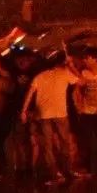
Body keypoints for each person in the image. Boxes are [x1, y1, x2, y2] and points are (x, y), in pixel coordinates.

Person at [22, 51, 77, 186]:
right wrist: (71, 65)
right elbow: (81, 81)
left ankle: (54, 174)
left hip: (44, 114)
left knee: (47, 145)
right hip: (60, 114)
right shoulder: (64, 73)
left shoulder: (40, 76)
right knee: (64, 143)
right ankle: (68, 171)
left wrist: (23, 110)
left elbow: (30, 93)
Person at [72, 48, 97, 175]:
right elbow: (77, 90)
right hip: (87, 112)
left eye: (87, 58)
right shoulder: (84, 73)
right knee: (87, 140)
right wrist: (79, 106)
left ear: (95, 59)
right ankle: (89, 167)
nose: (85, 60)